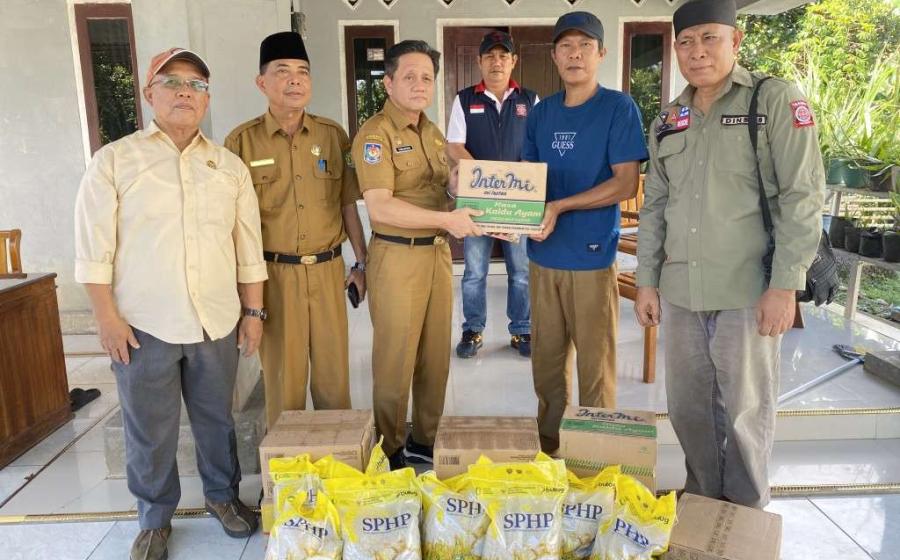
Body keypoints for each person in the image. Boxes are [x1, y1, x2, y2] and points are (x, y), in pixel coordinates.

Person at [74, 48, 266, 560]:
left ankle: (223, 497)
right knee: (149, 429)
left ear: (207, 98)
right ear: (149, 93)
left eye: (197, 84)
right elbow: (93, 251)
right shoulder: (114, 161)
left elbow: (248, 248)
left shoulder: (227, 166)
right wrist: (106, 317)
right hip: (142, 326)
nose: (186, 92)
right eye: (173, 82)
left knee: (216, 420)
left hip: (215, 322)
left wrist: (253, 313)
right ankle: (155, 519)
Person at [634, 0, 825, 508]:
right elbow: (655, 206)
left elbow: (803, 196)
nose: (697, 52)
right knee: (689, 410)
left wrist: (785, 285)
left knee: (745, 413)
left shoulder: (773, 100)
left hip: (748, 290)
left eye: (709, 38)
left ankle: (744, 516)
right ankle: (702, 504)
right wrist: (646, 280)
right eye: (685, 42)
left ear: (735, 41)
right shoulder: (668, 119)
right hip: (681, 293)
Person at [352, 40, 483, 469]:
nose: (420, 84)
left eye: (427, 77)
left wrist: (458, 188)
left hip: (436, 255)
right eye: (409, 76)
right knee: (395, 359)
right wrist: (447, 219)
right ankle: (390, 448)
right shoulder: (375, 135)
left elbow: (440, 189)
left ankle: (425, 439)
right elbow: (380, 207)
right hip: (397, 257)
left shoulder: (433, 132)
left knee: (434, 357)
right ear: (388, 83)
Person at [225, 32, 366, 427]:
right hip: (274, 277)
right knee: (284, 386)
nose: (295, 80)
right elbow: (231, 225)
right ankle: (286, 463)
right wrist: (242, 294)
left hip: (328, 272)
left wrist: (362, 263)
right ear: (262, 82)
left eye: (303, 72)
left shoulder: (332, 135)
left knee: (334, 383)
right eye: (282, 71)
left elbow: (347, 204)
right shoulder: (241, 142)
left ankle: (338, 457)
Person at [522, 12, 648, 453]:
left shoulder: (618, 108)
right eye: (566, 47)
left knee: (596, 364)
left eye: (585, 46)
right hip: (542, 257)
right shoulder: (541, 113)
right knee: (546, 362)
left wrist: (560, 205)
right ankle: (550, 442)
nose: (575, 55)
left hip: (592, 258)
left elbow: (625, 183)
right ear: (554, 56)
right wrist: (504, 208)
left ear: (601, 54)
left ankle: (597, 453)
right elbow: (528, 179)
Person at [446, 30, 538, 359]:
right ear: (479, 62)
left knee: (521, 271)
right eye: (490, 56)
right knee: (474, 272)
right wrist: (486, 180)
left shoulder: (530, 100)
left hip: (518, 203)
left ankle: (522, 329)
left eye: (503, 56)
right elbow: (454, 145)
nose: (496, 62)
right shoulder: (464, 99)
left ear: (513, 61)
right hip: (477, 203)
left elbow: (536, 146)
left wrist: (517, 179)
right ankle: (472, 329)